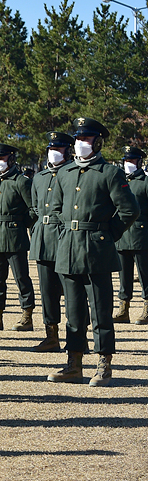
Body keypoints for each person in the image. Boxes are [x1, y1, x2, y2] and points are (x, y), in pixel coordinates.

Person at [48, 117, 139, 386]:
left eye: (86, 139)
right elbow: (54, 208)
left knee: (100, 311)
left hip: (97, 248)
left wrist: (108, 234)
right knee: (73, 312)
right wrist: (64, 235)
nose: (80, 144)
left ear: (97, 142)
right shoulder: (64, 173)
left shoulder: (109, 173)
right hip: (69, 249)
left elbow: (129, 210)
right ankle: (74, 363)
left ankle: (103, 362)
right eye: (78, 139)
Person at [0, 143, 37, 332]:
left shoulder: (21, 181)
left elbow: (33, 209)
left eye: (2, 159)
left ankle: (27, 315)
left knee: (22, 278)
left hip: (15, 236)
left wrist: (20, 224)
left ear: (11, 160)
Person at [29, 132, 75, 351]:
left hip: (64, 236)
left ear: (68, 151)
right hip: (43, 237)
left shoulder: (72, 174)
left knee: (72, 292)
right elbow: (34, 206)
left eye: (58, 149)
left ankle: (75, 337)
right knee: (47, 291)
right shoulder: (39, 177)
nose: (53, 153)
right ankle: (51, 335)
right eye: (51, 149)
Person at [113, 145, 148, 325]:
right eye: (126, 161)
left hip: (142, 237)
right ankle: (123, 309)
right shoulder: (119, 181)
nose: (129, 164)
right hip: (122, 236)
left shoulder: (145, 182)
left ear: (140, 162)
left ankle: (147, 308)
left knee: (145, 275)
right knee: (123, 276)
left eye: (132, 161)